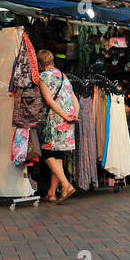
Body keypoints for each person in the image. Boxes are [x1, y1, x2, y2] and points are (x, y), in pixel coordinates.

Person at [37, 49, 79, 202]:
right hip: (68, 120)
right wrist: (75, 114)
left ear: (40, 63)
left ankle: (66, 185)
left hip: (55, 119)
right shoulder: (63, 75)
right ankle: (52, 193)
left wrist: (62, 115)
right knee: (58, 155)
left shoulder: (42, 77)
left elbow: (48, 100)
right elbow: (74, 99)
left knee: (47, 154)